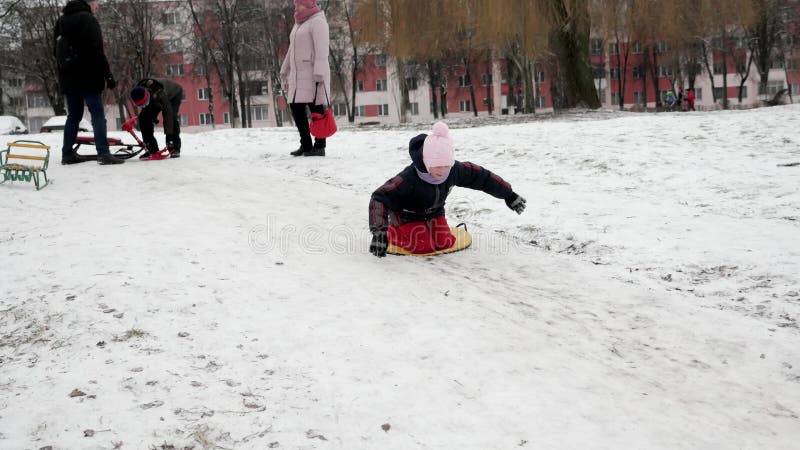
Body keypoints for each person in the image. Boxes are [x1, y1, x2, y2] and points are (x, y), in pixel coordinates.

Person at [368, 122, 527, 257]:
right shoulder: (408, 178)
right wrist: (379, 231)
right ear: (426, 161)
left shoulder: (453, 170)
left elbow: (482, 178)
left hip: (434, 213)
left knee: (445, 242)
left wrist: (509, 194)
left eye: (446, 165)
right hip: (405, 216)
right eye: (437, 166)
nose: (442, 171)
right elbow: (379, 197)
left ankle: (428, 228)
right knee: (424, 246)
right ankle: (393, 232)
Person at [54, 0, 123, 165]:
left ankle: (67, 153)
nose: (98, 6)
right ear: (89, 2)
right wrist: (108, 75)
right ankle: (103, 153)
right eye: (97, 2)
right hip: (89, 76)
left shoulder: (61, 21)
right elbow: (97, 50)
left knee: (73, 116)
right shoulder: (88, 19)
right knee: (98, 115)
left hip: (69, 78)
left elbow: (55, 51)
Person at [280, 0, 330, 157]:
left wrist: (319, 73)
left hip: (312, 74)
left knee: (316, 110)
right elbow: (291, 49)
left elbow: (322, 49)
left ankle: (320, 146)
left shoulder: (318, 21)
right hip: (297, 74)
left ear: (308, 4)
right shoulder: (299, 23)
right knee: (295, 108)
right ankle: (306, 145)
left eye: (299, 4)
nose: (296, 7)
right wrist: (285, 68)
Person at [129, 78, 183, 159]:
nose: (144, 106)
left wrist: (169, 137)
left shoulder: (159, 92)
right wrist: (152, 117)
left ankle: (174, 148)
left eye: (145, 103)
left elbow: (168, 115)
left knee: (171, 117)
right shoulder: (138, 92)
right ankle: (151, 149)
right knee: (143, 119)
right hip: (153, 99)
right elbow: (147, 109)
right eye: (141, 106)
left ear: (147, 95)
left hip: (174, 94)